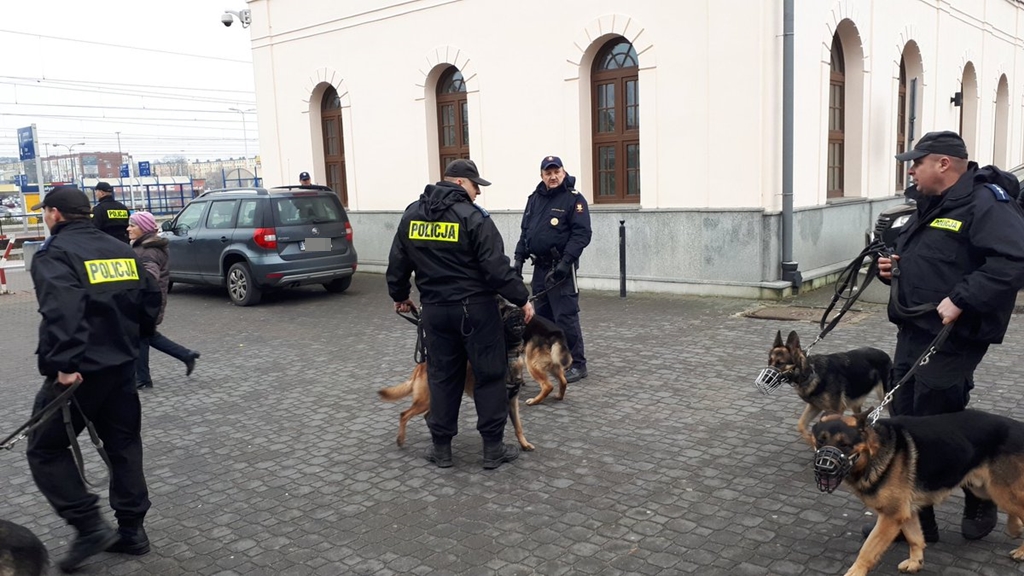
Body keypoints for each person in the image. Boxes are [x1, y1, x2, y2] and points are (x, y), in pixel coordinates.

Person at [872, 130, 1024, 543]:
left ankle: (981, 496)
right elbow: (929, 259)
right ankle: (920, 519)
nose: (911, 169)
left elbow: (1013, 260)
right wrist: (892, 271)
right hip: (914, 328)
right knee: (904, 415)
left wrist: (961, 298)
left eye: (916, 162)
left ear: (942, 164)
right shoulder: (929, 203)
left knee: (938, 418)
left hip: (956, 334)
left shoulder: (986, 203)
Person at [24, 186, 161, 572]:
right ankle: (132, 532)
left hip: (78, 374)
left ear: (55, 214)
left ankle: (88, 525)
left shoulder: (56, 253)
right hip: (121, 367)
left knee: (44, 449)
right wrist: (138, 335)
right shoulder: (121, 249)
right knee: (123, 445)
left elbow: (63, 309)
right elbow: (150, 297)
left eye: (45, 212)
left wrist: (65, 364)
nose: (45, 218)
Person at [386, 158, 534, 470]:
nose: (478, 193)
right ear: (458, 183)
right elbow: (496, 268)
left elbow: (398, 262)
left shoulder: (412, 214)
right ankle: (493, 449)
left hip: (436, 313)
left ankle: (442, 449)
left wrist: (400, 296)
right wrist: (522, 299)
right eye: (475, 185)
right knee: (490, 376)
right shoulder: (473, 217)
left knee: (442, 377)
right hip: (476, 312)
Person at [513, 155, 592, 383]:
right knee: (543, 319)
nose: (553, 176)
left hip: (561, 271)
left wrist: (567, 262)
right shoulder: (535, 198)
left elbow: (581, 234)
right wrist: (519, 258)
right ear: (542, 175)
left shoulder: (573, 199)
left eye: (556, 171)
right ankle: (551, 361)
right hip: (540, 269)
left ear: (563, 173)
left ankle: (577, 364)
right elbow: (526, 230)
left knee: (565, 318)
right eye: (548, 172)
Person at [128, 211, 200, 389]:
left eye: (132, 225)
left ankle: (143, 378)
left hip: (147, 302)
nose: (128, 228)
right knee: (148, 335)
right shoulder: (145, 246)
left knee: (141, 336)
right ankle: (186, 355)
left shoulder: (148, 251)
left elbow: (149, 277)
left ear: (143, 228)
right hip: (150, 301)